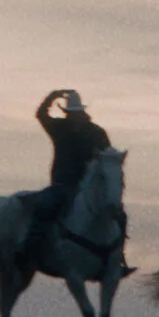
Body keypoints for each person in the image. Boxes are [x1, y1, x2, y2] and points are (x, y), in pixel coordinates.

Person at [24, 89, 113, 253]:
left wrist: (52, 97)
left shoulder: (90, 132)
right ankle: (31, 249)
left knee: (115, 215)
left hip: (85, 186)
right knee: (44, 208)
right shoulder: (63, 128)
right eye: (71, 114)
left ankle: (115, 254)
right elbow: (41, 115)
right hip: (63, 184)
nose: (72, 117)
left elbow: (108, 159)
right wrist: (52, 96)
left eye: (74, 114)